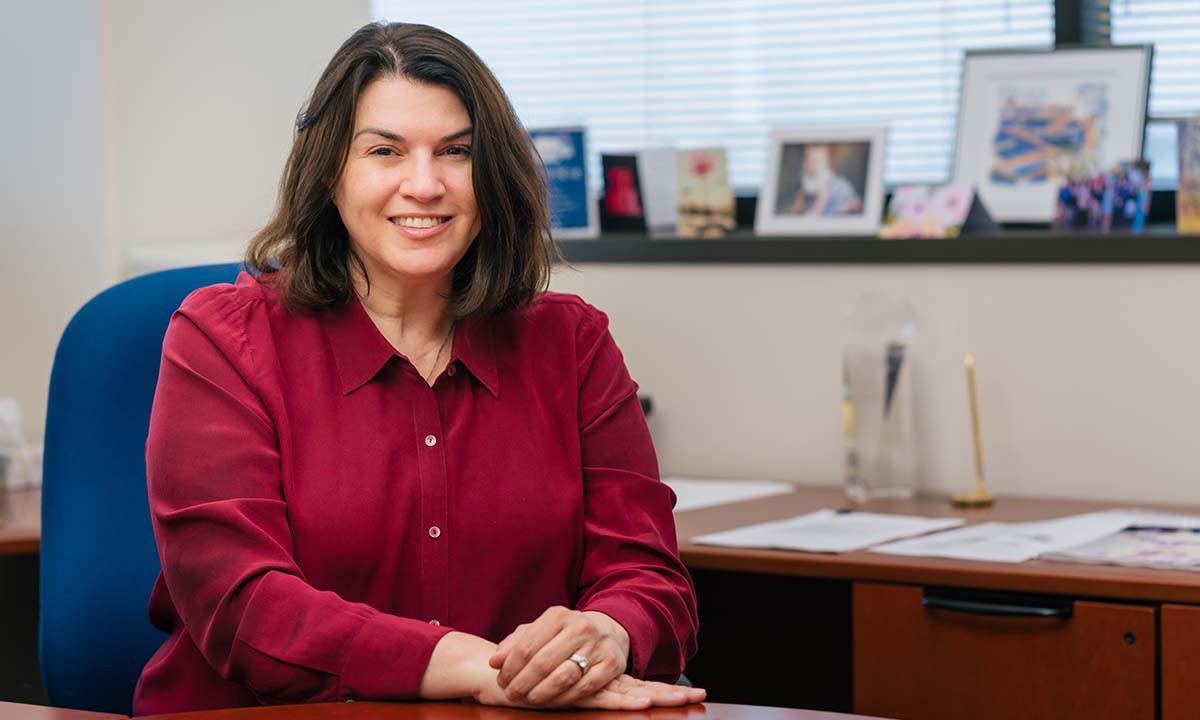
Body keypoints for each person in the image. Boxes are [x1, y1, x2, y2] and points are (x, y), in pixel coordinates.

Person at [133, 22, 701, 714]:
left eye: (456, 153)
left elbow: (648, 576)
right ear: (330, 173)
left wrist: (605, 636)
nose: (425, 184)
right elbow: (241, 603)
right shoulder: (223, 340)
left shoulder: (572, 343)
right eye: (385, 151)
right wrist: (480, 666)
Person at [787, 144, 862, 216]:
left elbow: (854, 206)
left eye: (817, 161)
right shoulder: (804, 189)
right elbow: (797, 213)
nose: (812, 165)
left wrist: (822, 197)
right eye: (808, 160)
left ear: (827, 163)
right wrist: (801, 197)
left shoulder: (840, 186)